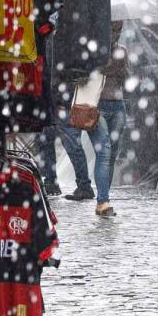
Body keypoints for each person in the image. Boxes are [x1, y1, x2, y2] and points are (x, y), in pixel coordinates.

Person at [60, 22, 125, 217]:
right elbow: (76, 77)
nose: (116, 34)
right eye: (113, 29)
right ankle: (102, 202)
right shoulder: (90, 51)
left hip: (118, 105)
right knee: (104, 153)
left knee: (111, 155)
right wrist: (97, 65)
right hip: (95, 107)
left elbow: (124, 76)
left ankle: (104, 196)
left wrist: (111, 63)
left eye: (119, 30)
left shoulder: (121, 51)